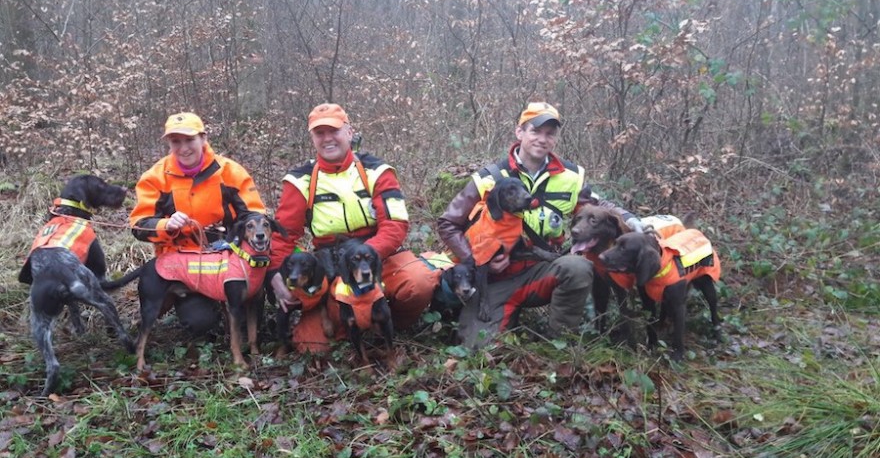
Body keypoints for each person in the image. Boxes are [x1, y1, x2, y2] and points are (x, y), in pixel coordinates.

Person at [437, 102, 644, 349]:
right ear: (520, 133)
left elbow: (598, 206)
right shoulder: (490, 177)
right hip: (495, 278)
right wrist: (476, 261)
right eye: (535, 131)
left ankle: (560, 341)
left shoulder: (570, 177)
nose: (542, 139)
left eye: (550, 134)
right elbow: (448, 223)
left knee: (577, 266)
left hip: (542, 270)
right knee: (475, 348)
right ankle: (504, 318)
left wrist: (631, 219)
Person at [270, 103, 436, 353]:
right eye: (320, 133)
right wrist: (275, 277)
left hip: (379, 253)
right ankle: (348, 320)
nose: (327, 139)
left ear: (349, 132)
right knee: (312, 345)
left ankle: (390, 325)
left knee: (419, 284)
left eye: (334, 131)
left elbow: (395, 225)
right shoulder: (300, 180)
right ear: (312, 138)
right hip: (331, 262)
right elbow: (282, 236)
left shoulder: (377, 171)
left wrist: (363, 258)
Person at [130, 112, 267, 333]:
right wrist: (167, 226)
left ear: (203, 139)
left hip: (229, 260)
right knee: (200, 324)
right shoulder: (155, 178)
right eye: (176, 141)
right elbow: (139, 225)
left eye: (190, 140)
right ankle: (183, 304)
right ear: (169, 143)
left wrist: (231, 236)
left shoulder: (230, 172)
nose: (184, 148)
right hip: (185, 268)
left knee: (248, 328)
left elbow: (254, 215)